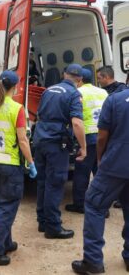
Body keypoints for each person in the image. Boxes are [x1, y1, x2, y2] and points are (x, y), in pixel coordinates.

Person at [0, 70, 36, 266]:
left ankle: (6, 242)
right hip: (10, 164)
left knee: (1, 203)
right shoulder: (16, 108)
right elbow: (22, 140)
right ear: (16, 87)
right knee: (8, 206)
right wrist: (30, 162)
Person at [72, 87, 129, 274]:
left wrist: (100, 159)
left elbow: (102, 136)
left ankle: (93, 261)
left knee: (95, 205)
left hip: (115, 163)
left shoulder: (115, 100)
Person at [33, 63, 86, 239]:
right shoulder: (74, 94)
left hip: (40, 139)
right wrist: (83, 148)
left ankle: (42, 221)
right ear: (79, 80)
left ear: (64, 75)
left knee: (43, 182)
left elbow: (39, 113)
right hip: (56, 143)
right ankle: (53, 227)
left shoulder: (48, 90)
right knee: (55, 184)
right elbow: (77, 123)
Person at [65, 68, 108, 213]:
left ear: (80, 79)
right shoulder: (103, 92)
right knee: (100, 173)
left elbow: (76, 118)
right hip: (104, 136)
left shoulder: (78, 93)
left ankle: (79, 204)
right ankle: (103, 206)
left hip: (88, 137)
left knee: (82, 172)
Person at [97, 65, 126, 209]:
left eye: (99, 78)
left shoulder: (120, 92)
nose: (98, 81)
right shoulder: (104, 92)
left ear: (105, 77)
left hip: (114, 137)